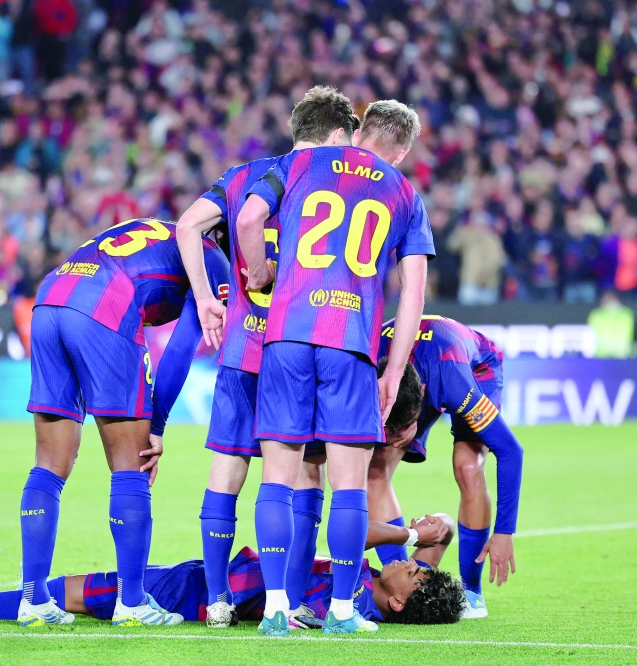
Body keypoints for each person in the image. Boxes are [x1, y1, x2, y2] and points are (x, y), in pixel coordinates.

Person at [237, 99, 434, 635]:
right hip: (350, 343)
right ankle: (342, 612)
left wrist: (260, 272)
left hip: (287, 335)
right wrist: (393, 371)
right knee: (348, 485)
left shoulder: (300, 162)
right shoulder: (404, 192)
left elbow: (249, 217)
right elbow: (413, 293)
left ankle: (276, 608)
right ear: (402, 150)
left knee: (278, 478)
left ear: (358, 129)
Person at [174, 86, 359, 629]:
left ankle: (218, 600)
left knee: (227, 470)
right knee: (305, 475)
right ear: (336, 134)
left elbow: (186, 226)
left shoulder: (242, 176)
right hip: (300, 345)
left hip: (241, 347)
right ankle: (291, 600)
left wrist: (205, 297)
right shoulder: (332, 182)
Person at [19, 218, 229, 628]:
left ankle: (34, 600)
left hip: (51, 296)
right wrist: (157, 426)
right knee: (131, 465)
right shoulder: (214, 258)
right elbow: (182, 346)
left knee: (49, 465)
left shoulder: (162, 228)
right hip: (107, 301)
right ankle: (131, 602)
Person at [0, 513, 462, 626]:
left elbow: (346, 531)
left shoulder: (352, 599)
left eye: (414, 574)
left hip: (190, 593)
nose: (411, 565)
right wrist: (434, 540)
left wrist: (410, 535)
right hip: (205, 582)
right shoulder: (368, 591)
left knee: (56, 593)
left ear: (399, 601)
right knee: (63, 595)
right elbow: (425, 565)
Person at [372, 316, 524, 620]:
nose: (401, 434)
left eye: (409, 422)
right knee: (375, 469)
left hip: (472, 368)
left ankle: (472, 591)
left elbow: (510, 450)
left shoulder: (453, 382)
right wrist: (391, 429)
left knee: (467, 466)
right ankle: (402, 585)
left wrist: (504, 532)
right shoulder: (370, 367)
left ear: (423, 393)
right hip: (402, 373)